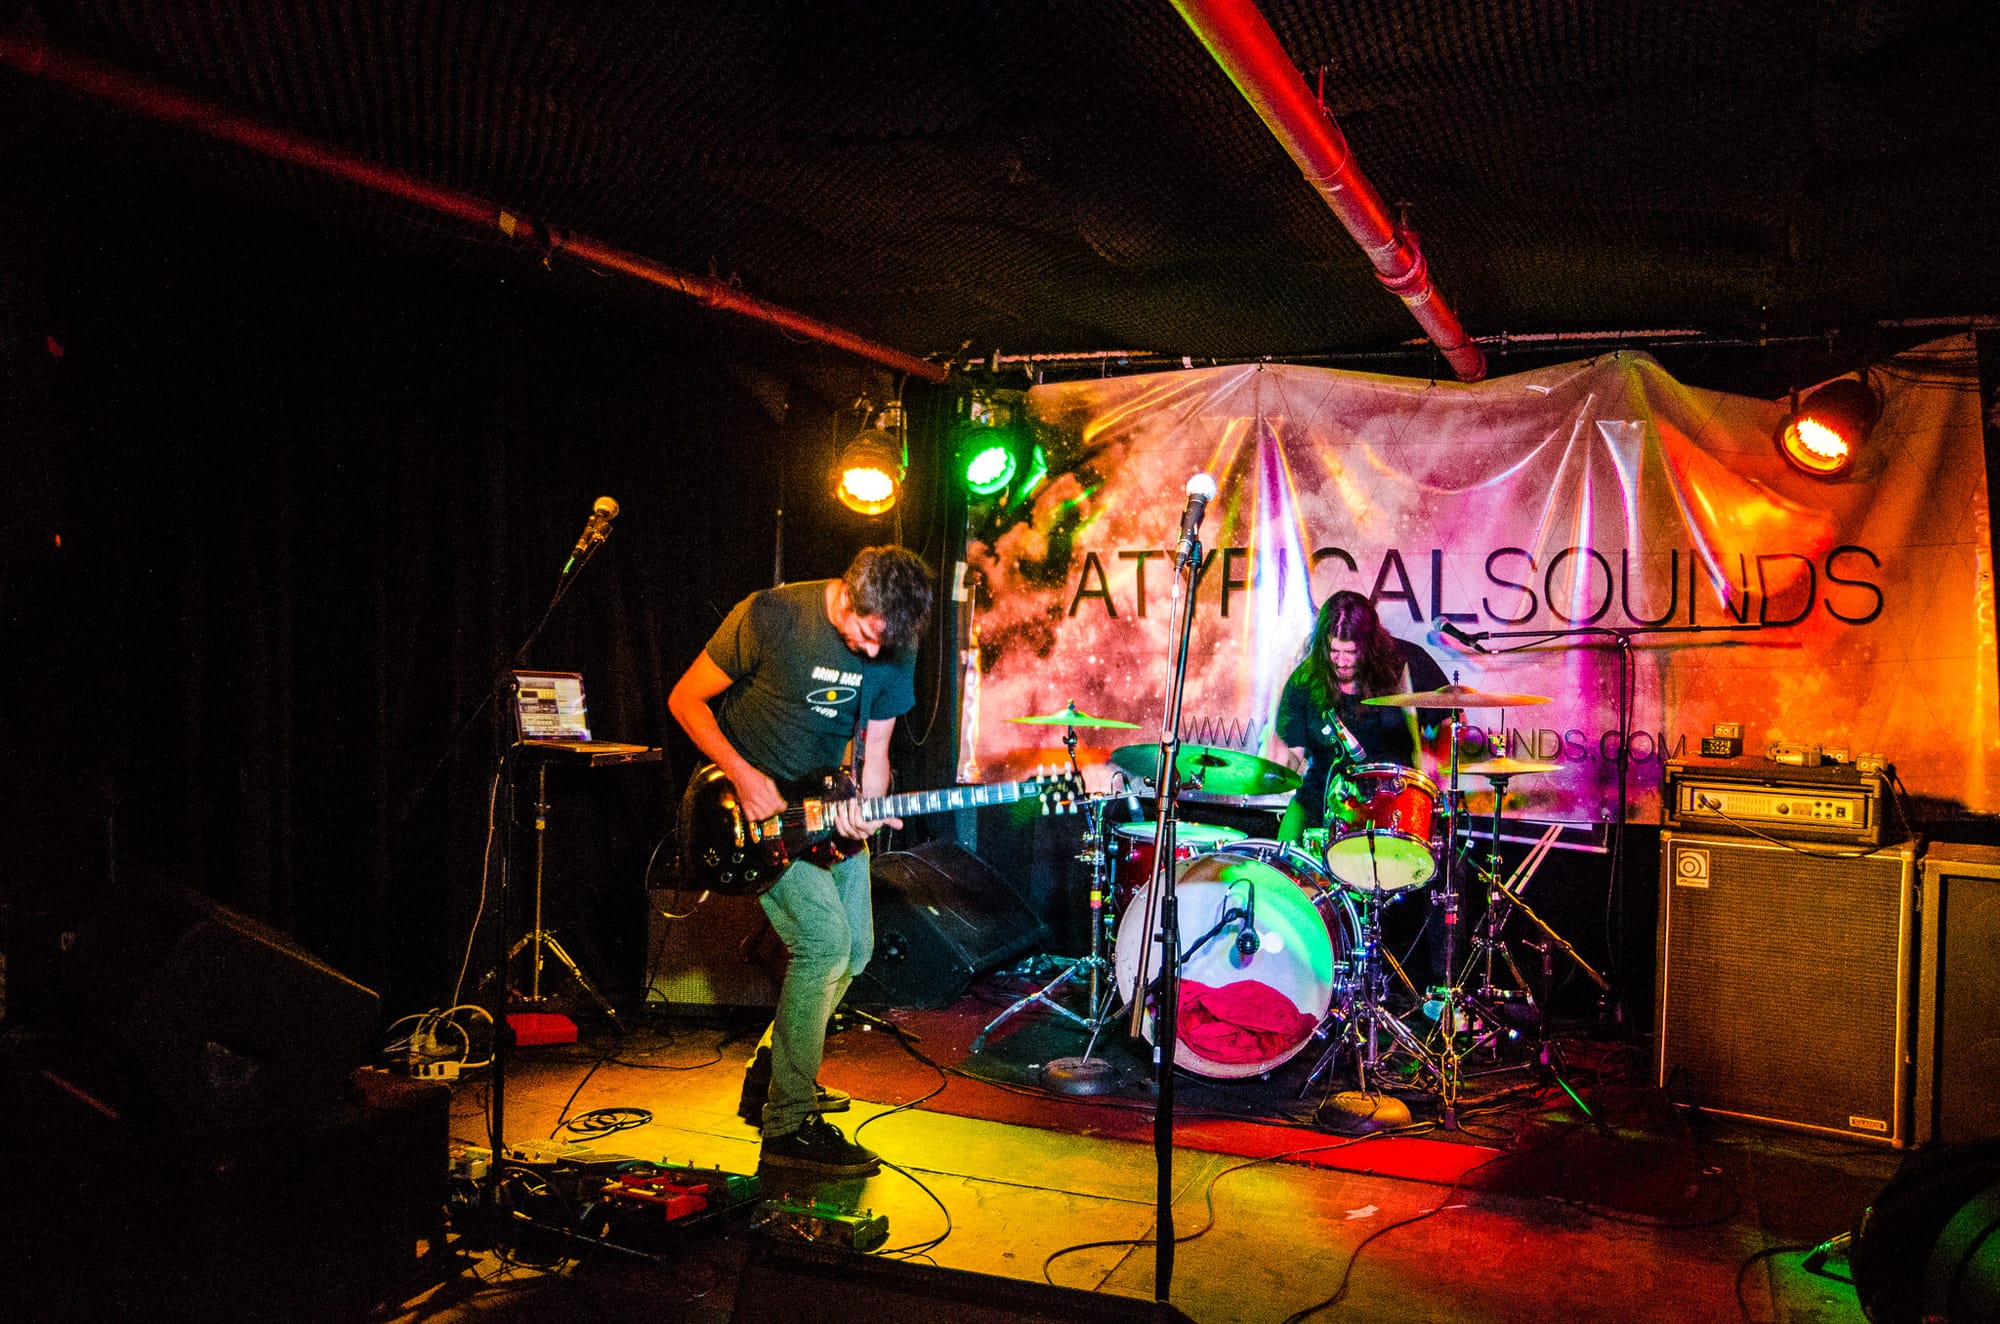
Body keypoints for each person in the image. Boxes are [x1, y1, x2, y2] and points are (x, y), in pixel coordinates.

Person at [668, 545, 933, 1177]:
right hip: (745, 813)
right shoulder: (771, 616)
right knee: (823, 946)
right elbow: (685, 700)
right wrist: (744, 773)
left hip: (825, 808)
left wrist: (867, 811)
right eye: (867, 636)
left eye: (885, 643)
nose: (874, 653)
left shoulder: (895, 643)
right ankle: (788, 1126)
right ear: (848, 593)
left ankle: (770, 1073)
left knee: (859, 950)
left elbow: (875, 749)